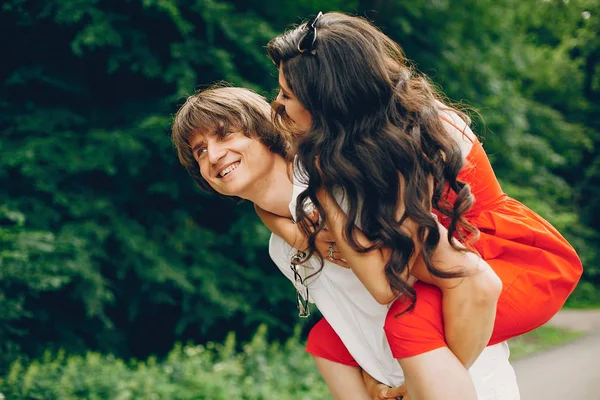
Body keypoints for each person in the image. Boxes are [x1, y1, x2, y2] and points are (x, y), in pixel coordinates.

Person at [265, 10, 582, 397]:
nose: (277, 104)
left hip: (510, 256)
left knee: (407, 324)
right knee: (331, 339)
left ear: (328, 102)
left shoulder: (404, 142)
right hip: (450, 252)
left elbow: (396, 281)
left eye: (286, 94)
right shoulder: (353, 143)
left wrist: (407, 385)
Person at [170, 85, 521, 399]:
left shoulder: (342, 181)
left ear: (264, 132)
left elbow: (404, 285)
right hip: (396, 384)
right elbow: (354, 322)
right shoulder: (280, 248)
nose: (214, 155)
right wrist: (373, 377)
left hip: (463, 373)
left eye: (225, 135)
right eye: (200, 151)